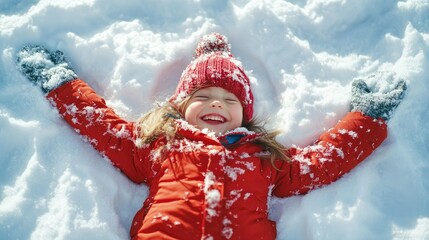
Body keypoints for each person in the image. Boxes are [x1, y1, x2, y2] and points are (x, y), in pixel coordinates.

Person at [16, 32, 406, 239]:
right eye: (203, 96)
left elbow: (321, 162)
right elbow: (103, 128)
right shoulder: (161, 145)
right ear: (182, 106)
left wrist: (366, 119)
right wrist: (61, 85)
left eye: (229, 99)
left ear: (245, 116)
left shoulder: (263, 157)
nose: (216, 104)